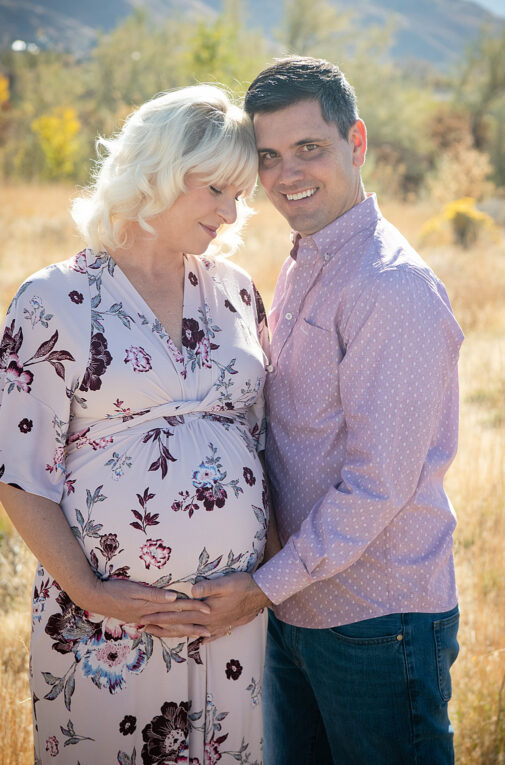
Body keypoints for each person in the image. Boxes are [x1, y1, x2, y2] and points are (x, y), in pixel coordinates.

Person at [148, 57, 465, 764]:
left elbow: (377, 483)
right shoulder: (306, 258)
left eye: (310, 150)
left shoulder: (391, 288)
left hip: (376, 621)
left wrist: (260, 587)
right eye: (270, 157)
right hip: (296, 606)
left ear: (355, 144)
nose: (289, 174)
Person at [0, 85, 272, 763]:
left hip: (234, 623)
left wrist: (262, 576)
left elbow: (268, 443)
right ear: (158, 170)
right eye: (217, 189)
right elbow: (18, 471)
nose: (232, 212)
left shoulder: (237, 290)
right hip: (105, 629)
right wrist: (93, 592)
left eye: (240, 194)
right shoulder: (53, 299)